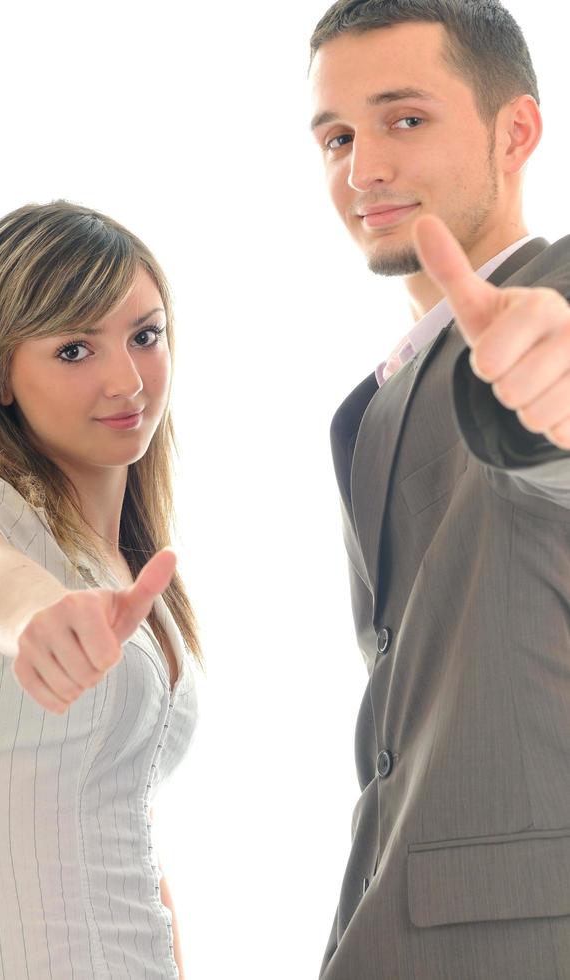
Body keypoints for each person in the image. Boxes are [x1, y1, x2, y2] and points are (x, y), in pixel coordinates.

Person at [308, 1, 570, 977]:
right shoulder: (367, 404)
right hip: (379, 928)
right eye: (336, 136)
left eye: (404, 119)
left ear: (517, 131)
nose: (361, 167)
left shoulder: (551, 305)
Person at [0, 200, 201, 979]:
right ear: (0, 376)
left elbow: (125, 840)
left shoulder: (132, 574)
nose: (126, 378)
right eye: (74, 349)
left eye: (144, 336)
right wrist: (32, 616)